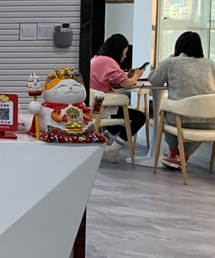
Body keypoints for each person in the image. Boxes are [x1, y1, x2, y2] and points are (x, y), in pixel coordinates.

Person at [148, 31, 215, 170]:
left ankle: (174, 153)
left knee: (164, 113)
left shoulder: (171, 62)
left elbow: (154, 81)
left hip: (179, 118)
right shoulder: (210, 63)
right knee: (199, 125)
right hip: (209, 120)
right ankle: (183, 156)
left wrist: (166, 61)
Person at [90, 33, 146, 163]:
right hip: (102, 107)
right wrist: (136, 76)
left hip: (95, 104)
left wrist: (128, 76)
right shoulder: (108, 62)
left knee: (121, 119)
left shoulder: (97, 59)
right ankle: (113, 149)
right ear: (118, 50)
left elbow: (112, 79)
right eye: (124, 53)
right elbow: (127, 84)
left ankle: (100, 142)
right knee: (139, 117)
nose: (125, 56)